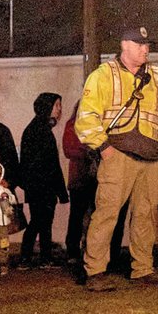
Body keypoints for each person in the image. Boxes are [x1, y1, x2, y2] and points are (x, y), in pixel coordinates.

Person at [74, 23, 158, 290]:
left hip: (153, 159)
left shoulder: (157, 78)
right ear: (124, 45)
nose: (146, 49)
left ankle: (142, 269)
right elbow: (86, 117)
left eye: (147, 45)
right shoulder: (103, 75)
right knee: (107, 212)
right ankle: (95, 272)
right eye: (140, 45)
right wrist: (104, 149)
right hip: (118, 155)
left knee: (145, 214)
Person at [18, 93, 67, 268]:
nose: (59, 110)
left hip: (40, 187)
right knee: (39, 222)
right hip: (41, 187)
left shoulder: (39, 128)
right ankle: (28, 257)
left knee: (42, 222)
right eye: (57, 106)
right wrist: (60, 191)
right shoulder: (40, 130)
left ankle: (40, 257)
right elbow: (50, 164)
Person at [62, 112, 97, 268]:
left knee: (95, 215)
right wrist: (90, 151)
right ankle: (73, 250)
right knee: (77, 215)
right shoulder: (72, 125)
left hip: (95, 177)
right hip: (80, 177)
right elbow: (69, 149)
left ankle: (91, 249)